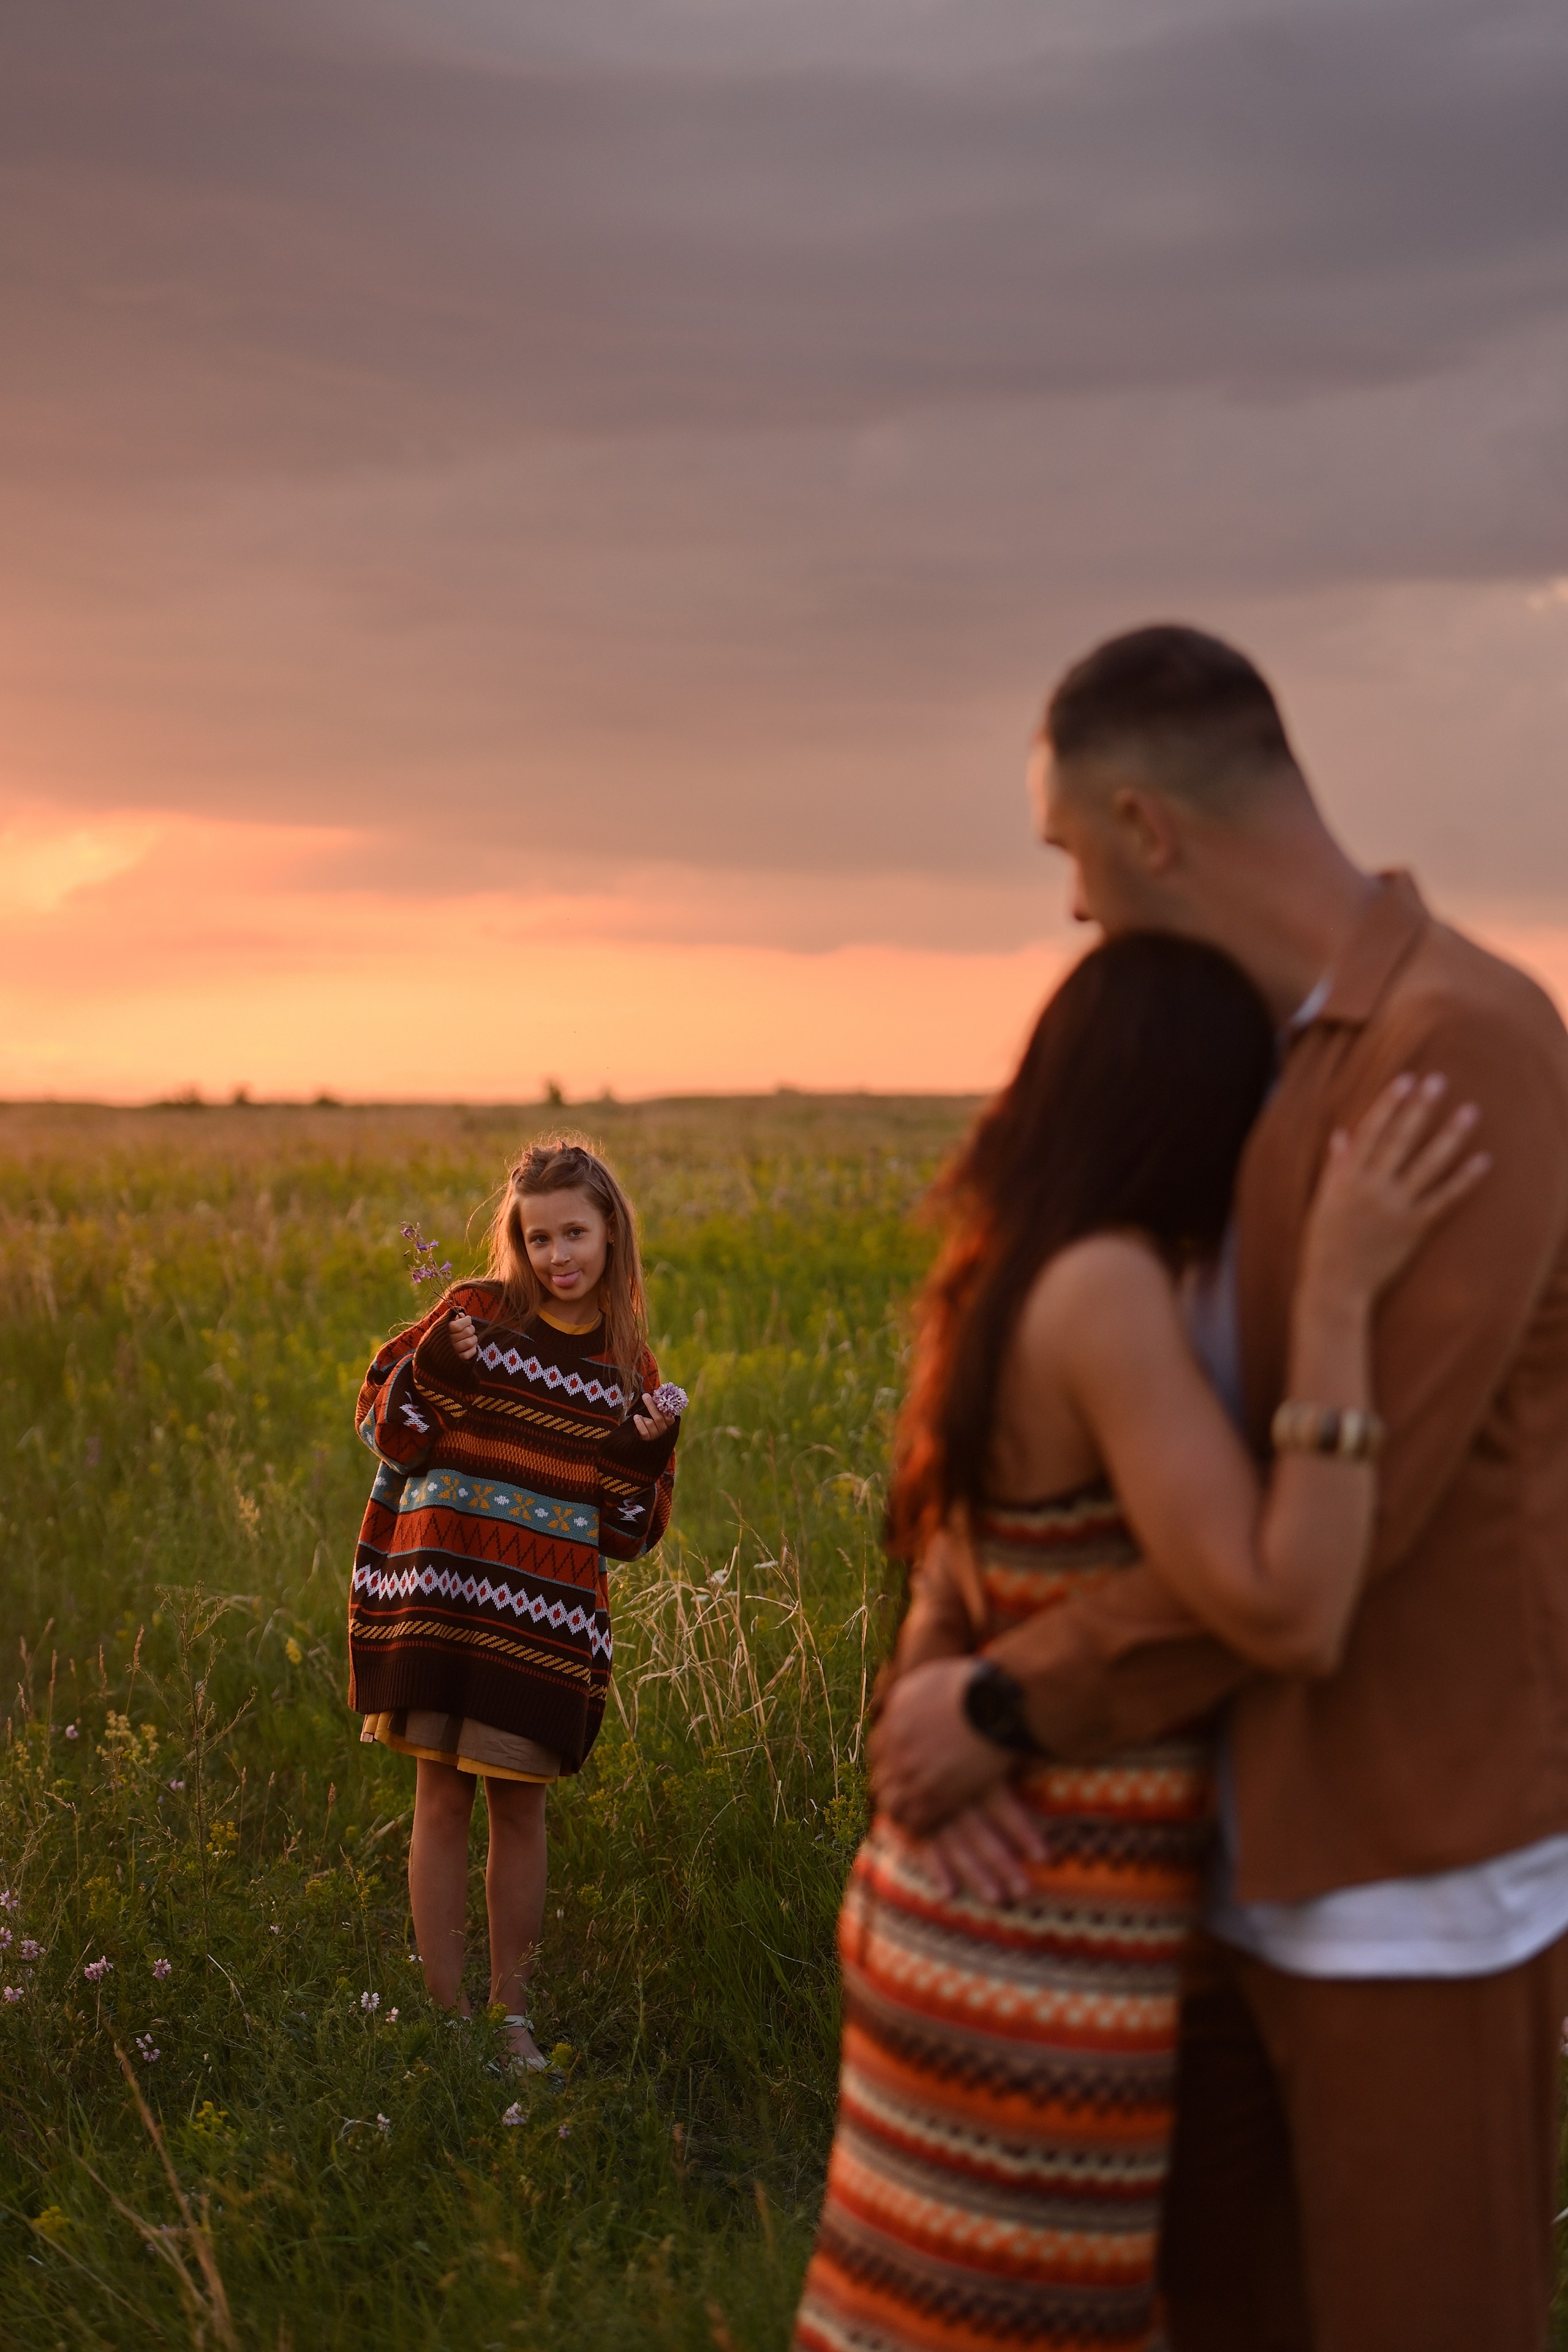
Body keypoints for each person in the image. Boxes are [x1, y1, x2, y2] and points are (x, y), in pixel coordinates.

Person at [871, 625, 1568, 2351]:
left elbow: (1336, 1541)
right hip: (1186, 1884)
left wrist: (1016, 1700)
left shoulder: (1455, 1046)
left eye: (1070, 861)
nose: (1075, 912)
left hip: (1402, 1876)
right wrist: (939, 1650)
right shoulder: (1239, 1059)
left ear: (1146, 826)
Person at [793, 929, 1483, 2352]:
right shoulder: (1105, 1288)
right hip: (1047, 1933)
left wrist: (932, 1682)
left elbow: (959, 1570)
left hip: (963, 1905)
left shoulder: (995, 1271)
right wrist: (1344, 1296)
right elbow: (1285, 1597)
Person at [347, 1137, 681, 2071]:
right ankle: (447, 2019)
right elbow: (387, 1430)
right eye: (537, 1239)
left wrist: (640, 1458)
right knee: (440, 1800)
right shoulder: (471, 1318)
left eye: (574, 1233)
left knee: (520, 1811)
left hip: (540, 1626)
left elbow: (628, 1534)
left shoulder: (630, 1376)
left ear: (612, 1232)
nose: (556, 1257)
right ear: (517, 1243)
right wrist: (439, 1375)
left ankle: (509, 2018)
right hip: (440, 1597)